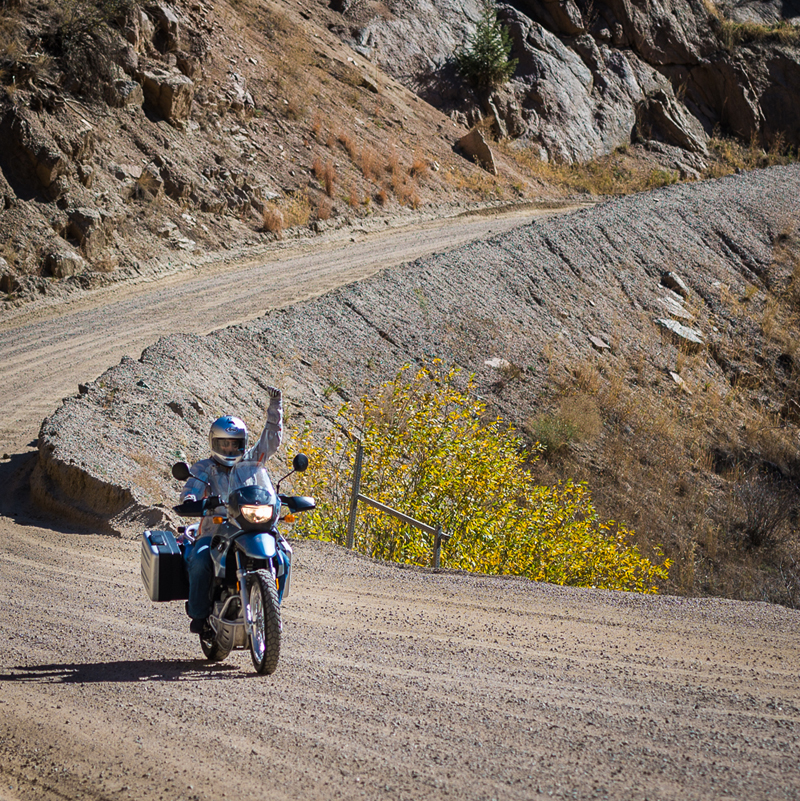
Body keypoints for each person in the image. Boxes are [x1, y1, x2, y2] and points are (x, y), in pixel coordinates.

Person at [181, 386, 283, 634]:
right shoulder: (205, 467)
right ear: (214, 443)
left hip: (247, 526)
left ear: (242, 444)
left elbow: (270, 440)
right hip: (214, 532)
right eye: (224, 444)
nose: (228, 449)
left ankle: (271, 608)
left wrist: (275, 405)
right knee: (200, 559)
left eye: (234, 444)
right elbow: (192, 487)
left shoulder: (251, 462)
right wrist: (192, 499)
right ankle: (199, 614)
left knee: (283, 555)